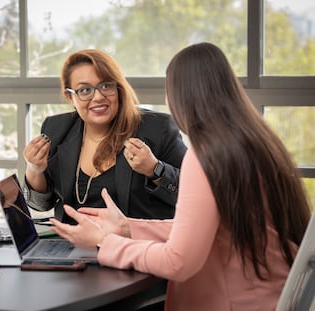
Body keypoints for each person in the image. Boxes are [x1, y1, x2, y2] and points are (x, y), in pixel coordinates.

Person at [49, 42, 312, 310]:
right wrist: (128, 227)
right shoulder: (252, 142)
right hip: (271, 295)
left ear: (182, 96)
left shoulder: (206, 157)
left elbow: (178, 261)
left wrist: (104, 242)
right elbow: (207, 227)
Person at [23, 49, 187, 223]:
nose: (99, 97)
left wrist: (154, 169)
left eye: (106, 86)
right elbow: (41, 205)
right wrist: (34, 169)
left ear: (118, 88)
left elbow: (194, 194)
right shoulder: (56, 128)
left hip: (132, 246)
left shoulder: (158, 128)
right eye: (85, 90)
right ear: (70, 97)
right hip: (72, 245)